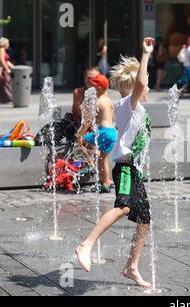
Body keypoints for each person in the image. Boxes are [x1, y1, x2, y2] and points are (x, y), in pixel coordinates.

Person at [76, 37, 155, 288]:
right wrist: (145, 55)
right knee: (123, 207)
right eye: (147, 85)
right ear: (136, 88)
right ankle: (86, 244)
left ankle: (131, 267)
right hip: (125, 168)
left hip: (135, 170)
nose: (149, 88)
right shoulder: (130, 105)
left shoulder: (132, 108)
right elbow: (141, 82)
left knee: (144, 220)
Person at [77, 74, 117, 193]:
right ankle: (106, 181)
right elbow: (113, 117)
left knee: (80, 142)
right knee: (103, 158)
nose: (89, 88)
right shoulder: (108, 99)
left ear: (98, 88)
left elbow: (88, 121)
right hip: (111, 131)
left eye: (91, 86)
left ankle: (90, 163)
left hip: (104, 132)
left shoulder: (97, 102)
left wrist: (80, 134)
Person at [0, 37, 14, 104]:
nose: (8, 44)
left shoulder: (2, 50)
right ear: (4, 43)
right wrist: (7, 69)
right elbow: (2, 60)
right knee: (6, 83)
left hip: (2, 71)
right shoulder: (2, 49)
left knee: (1, 85)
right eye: (8, 43)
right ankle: (9, 98)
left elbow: (6, 61)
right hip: (2, 71)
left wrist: (13, 67)